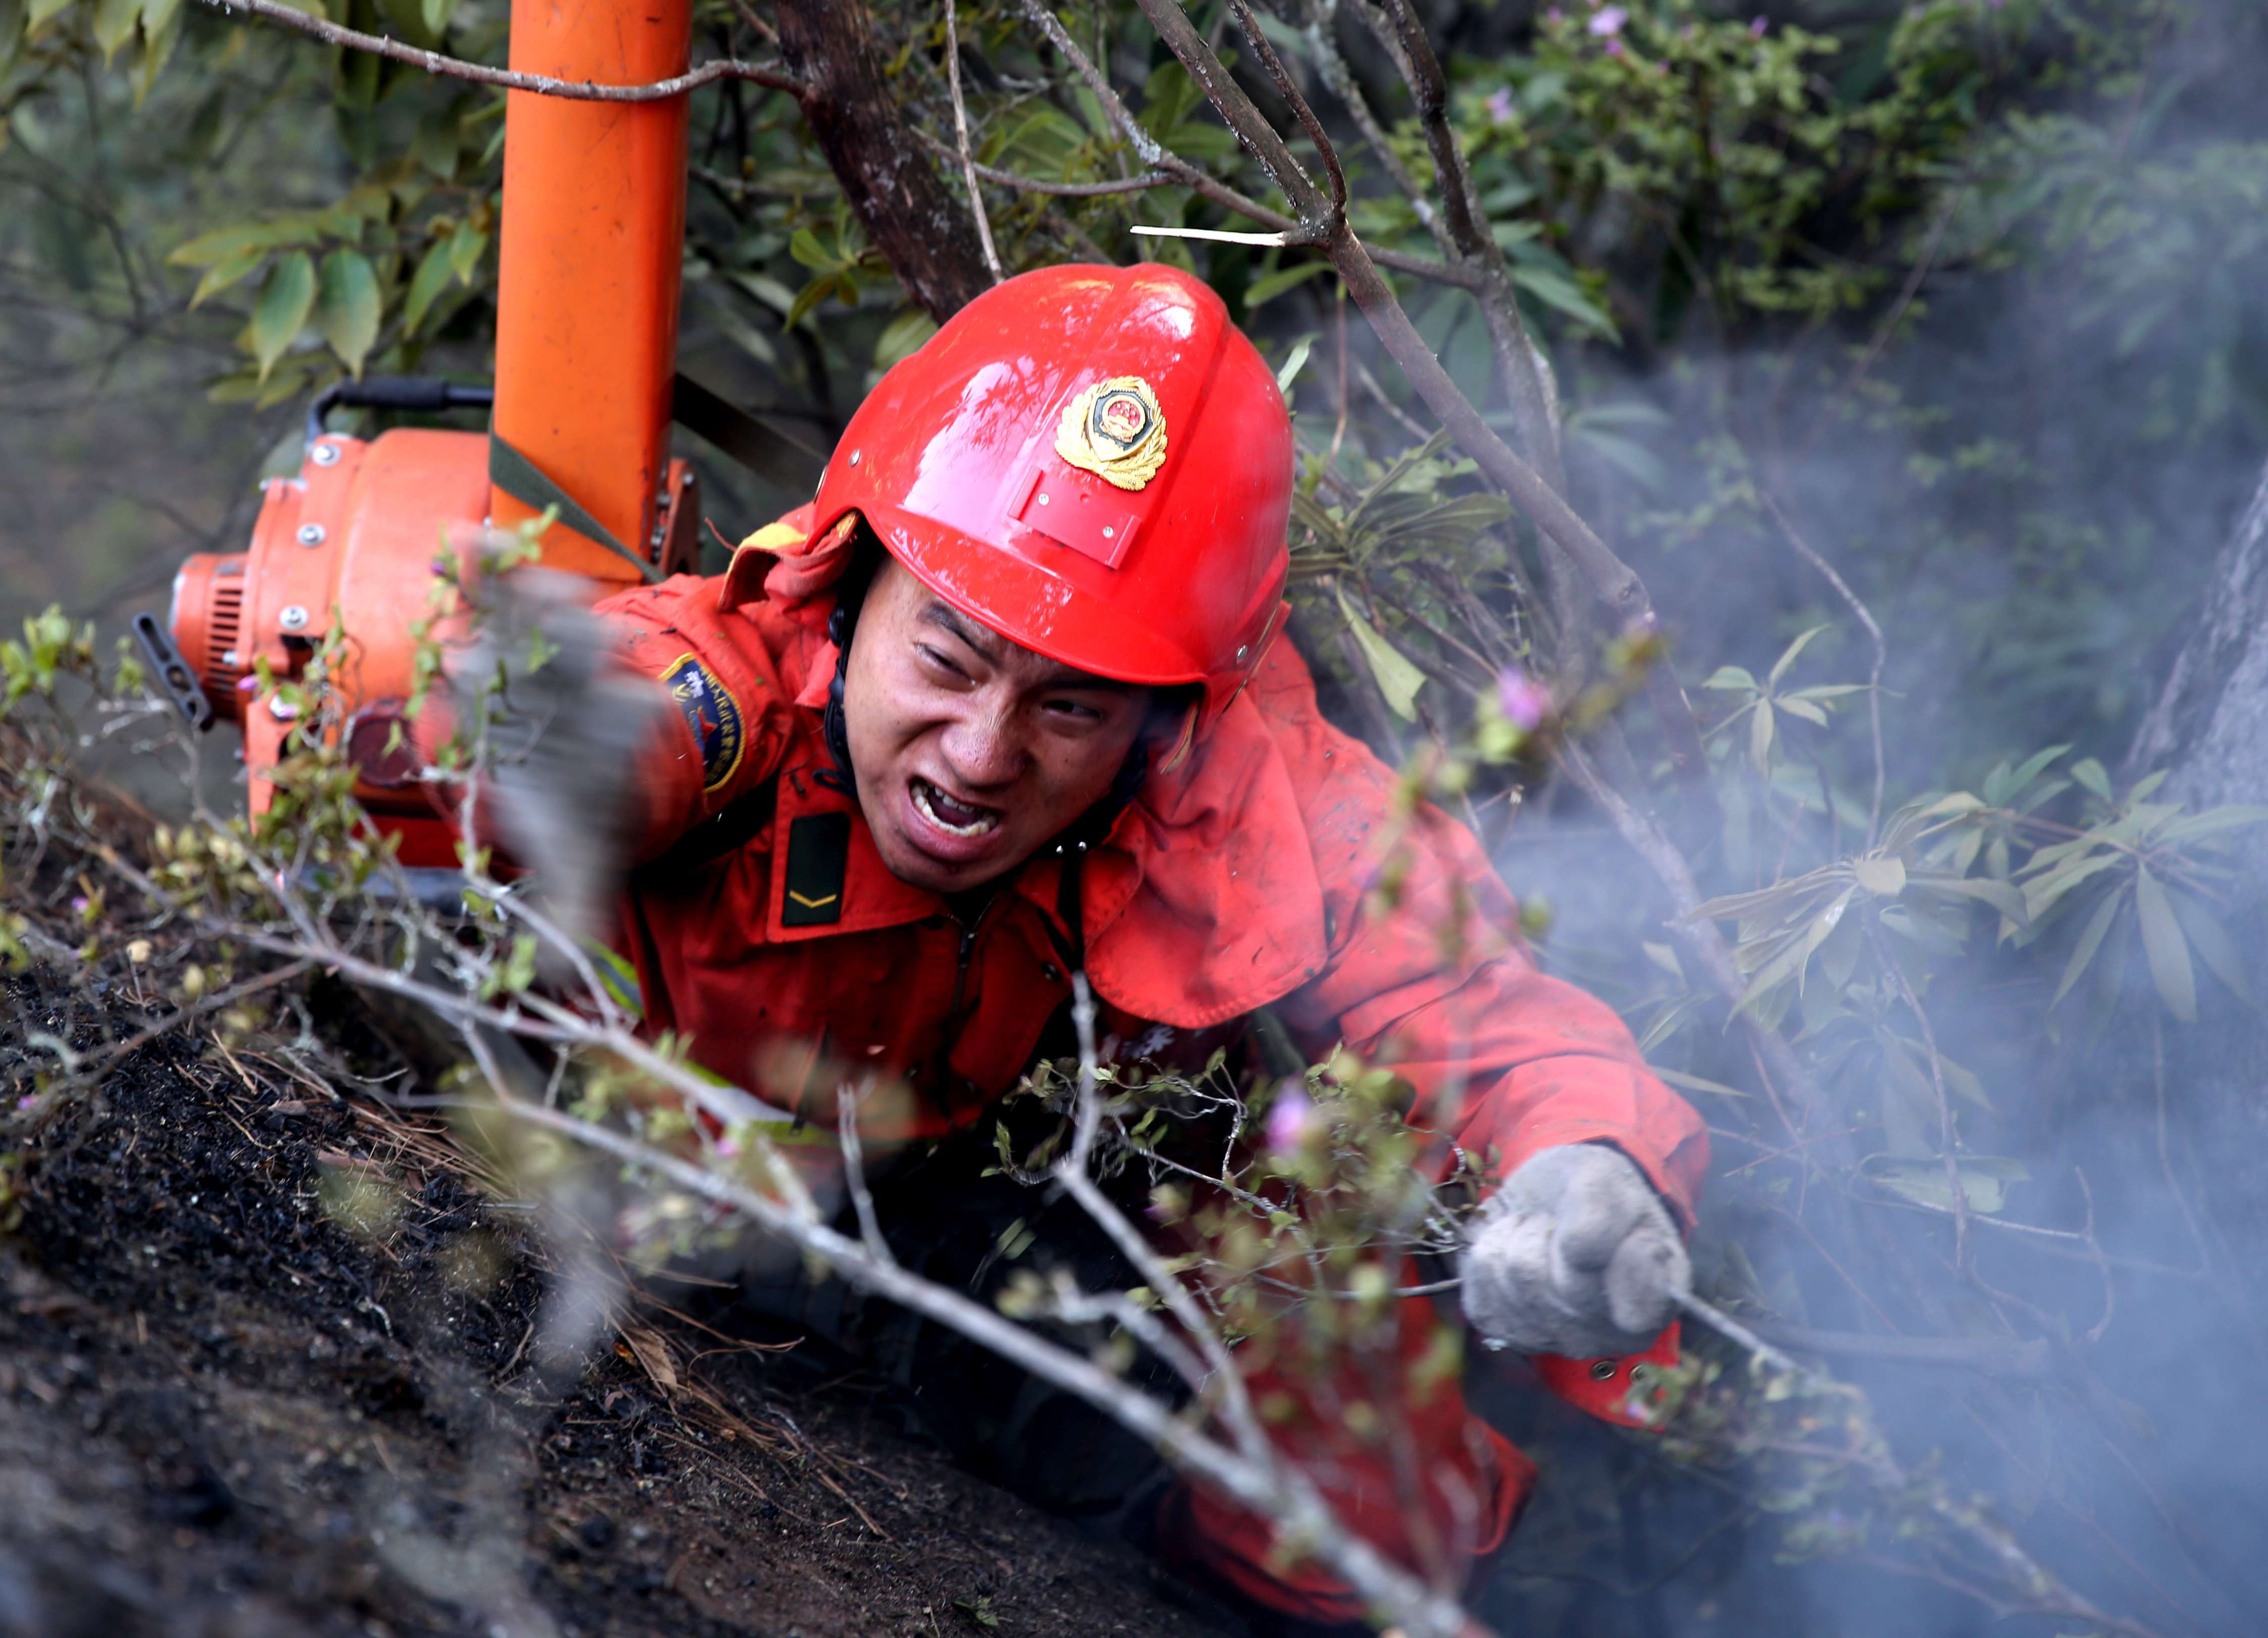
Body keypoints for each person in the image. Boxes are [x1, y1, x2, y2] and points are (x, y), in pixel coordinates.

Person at [451, 262, 1708, 1628]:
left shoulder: (1229, 772)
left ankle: (1110, 1507)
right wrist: (554, 765)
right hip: (678, 1166)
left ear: (1164, 709)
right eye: (947, 660)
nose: (982, 755)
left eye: (1070, 705)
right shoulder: (744, 680)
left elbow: (1468, 991)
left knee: (1368, 1519)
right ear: (854, 580)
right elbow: (630, 709)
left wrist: (1591, 1162)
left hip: (1015, 1180)